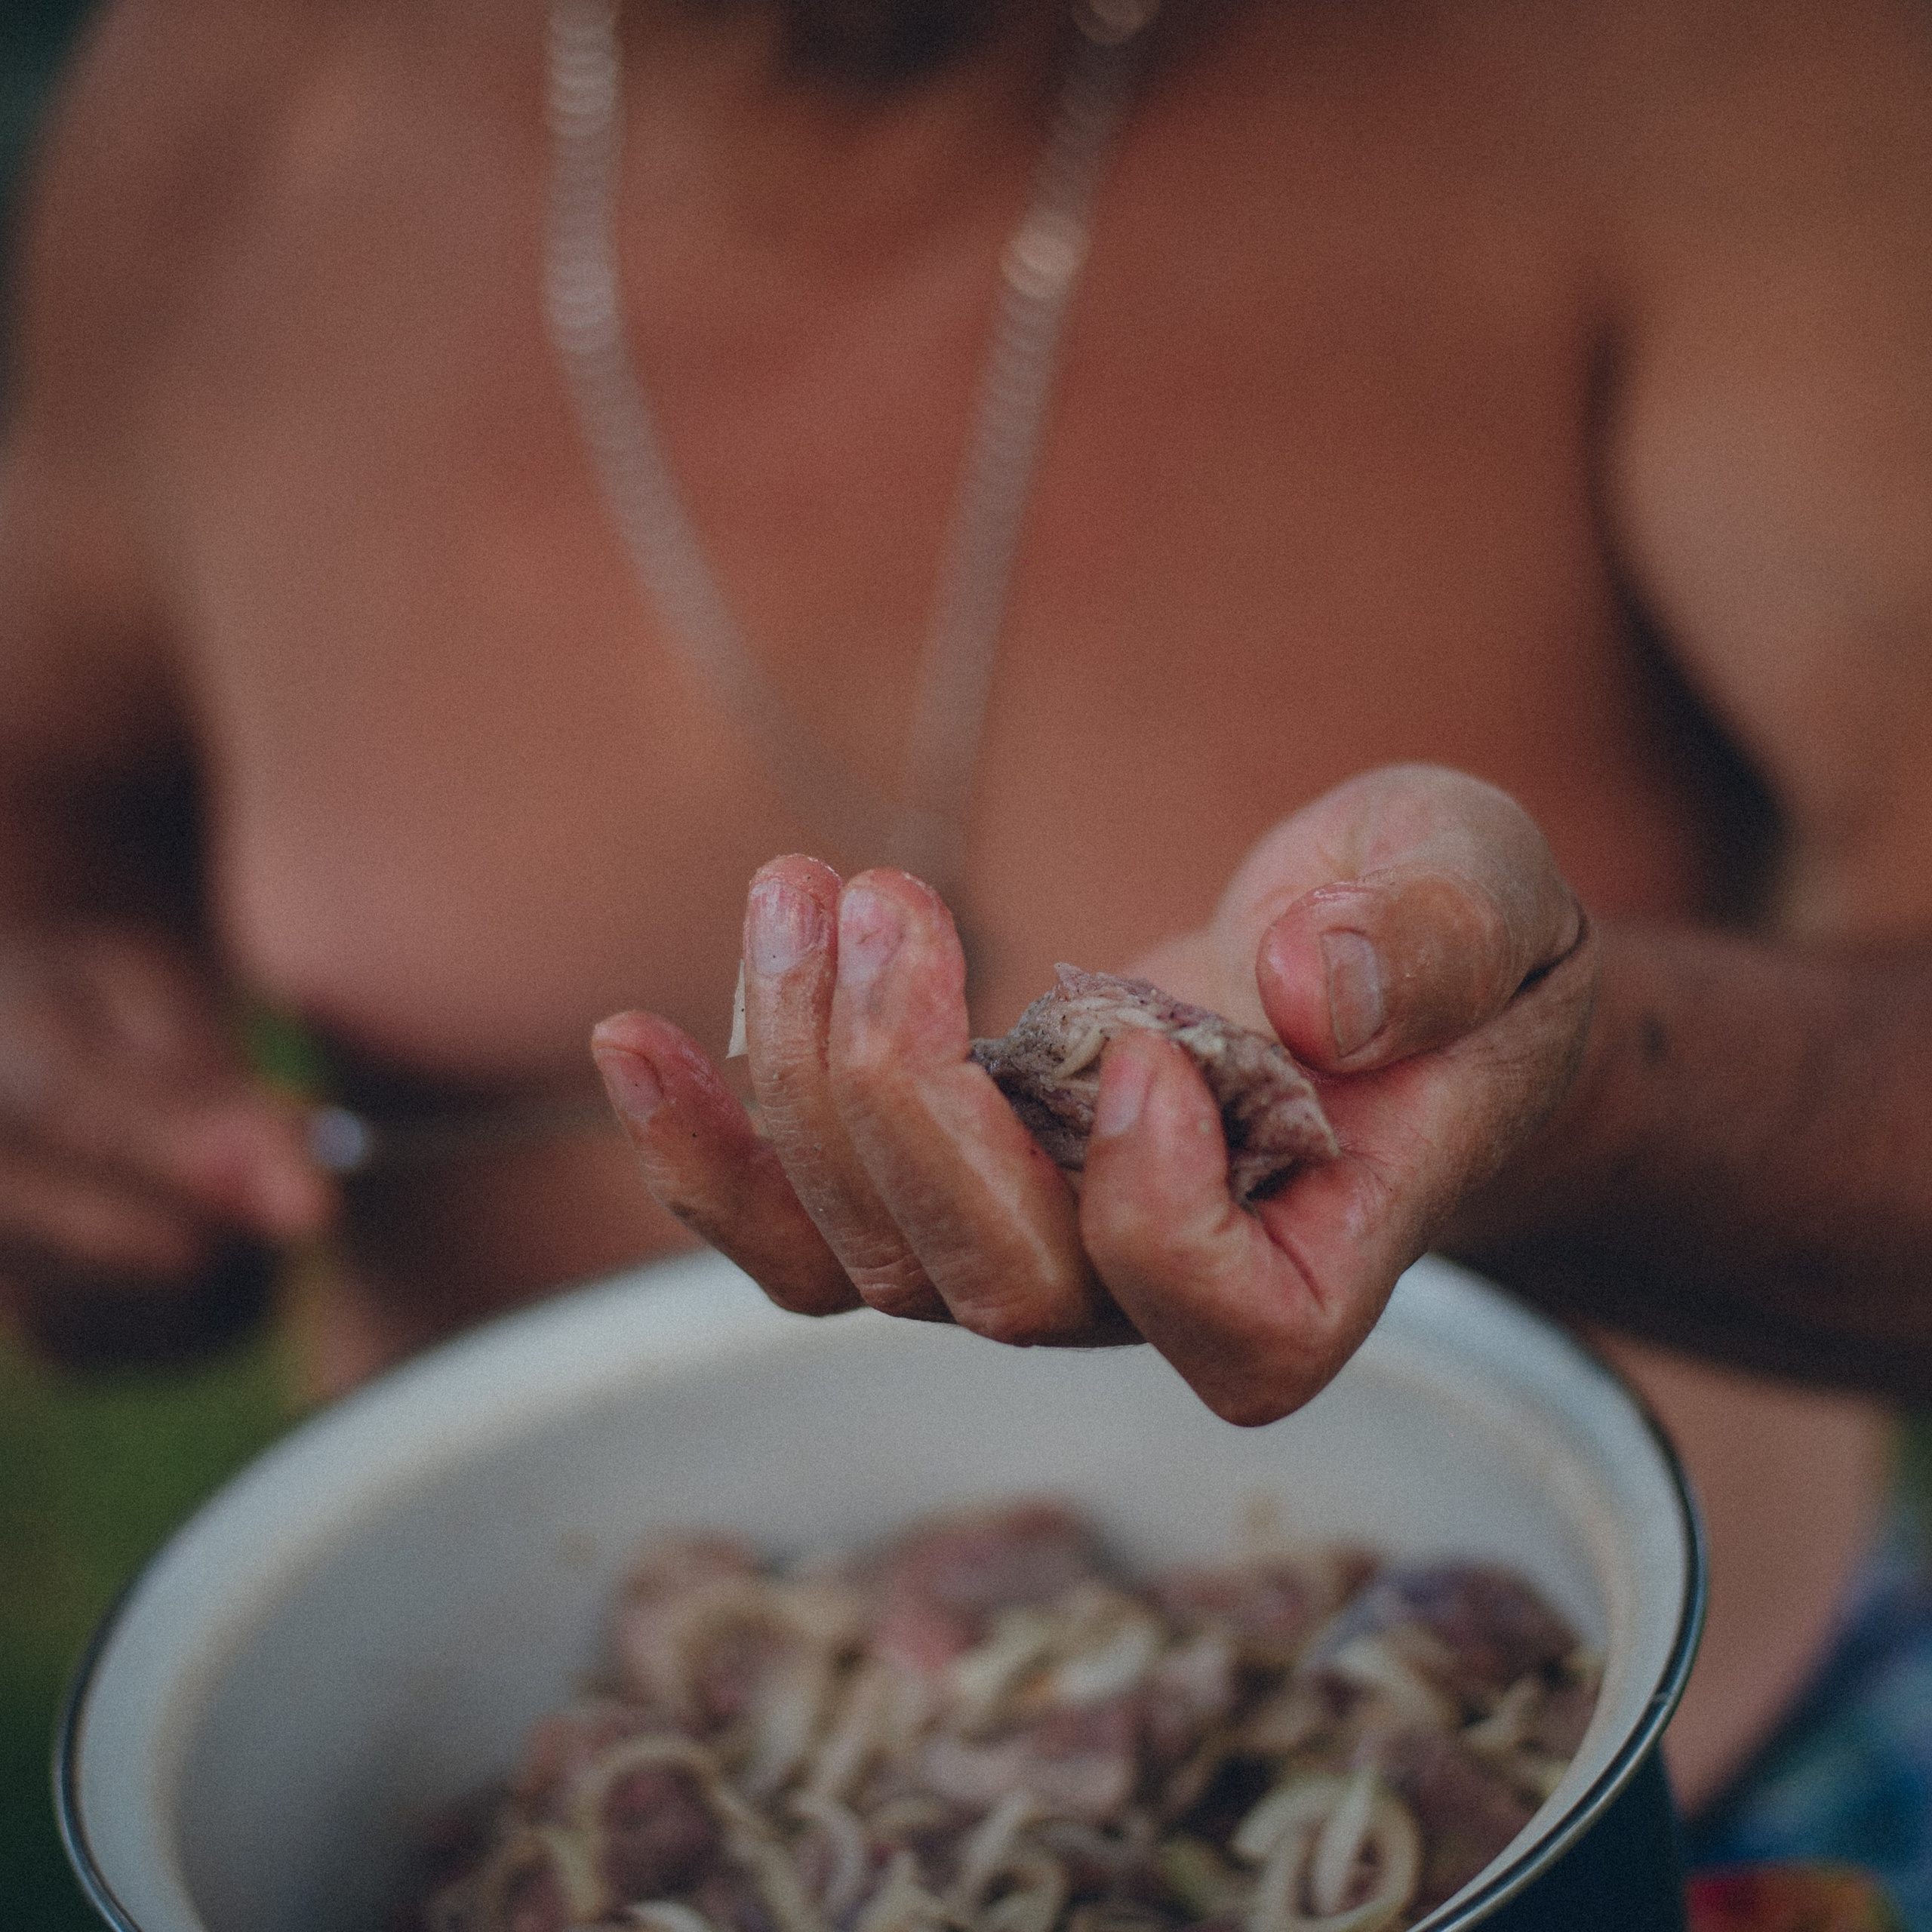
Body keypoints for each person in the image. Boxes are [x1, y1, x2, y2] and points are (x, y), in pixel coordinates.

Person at [2, 0, 1929, 1897]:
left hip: (1631, 1792)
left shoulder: (1715, 70)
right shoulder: (226, 109)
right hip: (570, 1821)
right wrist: (70, 1049)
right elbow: (47, 797)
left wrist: (1564, 1094)